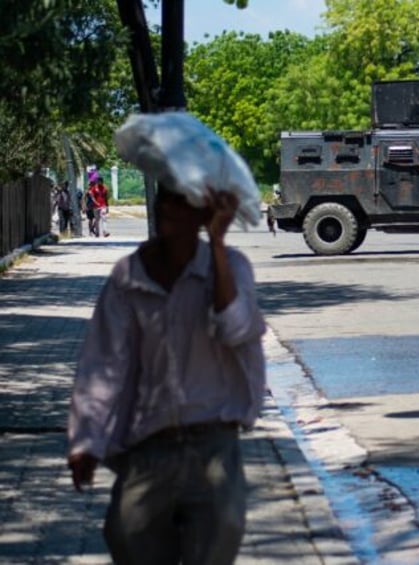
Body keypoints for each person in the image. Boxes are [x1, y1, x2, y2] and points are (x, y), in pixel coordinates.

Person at [67, 185, 266, 564]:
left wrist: (218, 245)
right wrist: (86, 441)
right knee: (125, 532)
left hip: (214, 442)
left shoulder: (230, 266)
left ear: (201, 213)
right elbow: (103, 363)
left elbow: (236, 329)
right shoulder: (128, 276)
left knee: (221, 532)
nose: (167, 208)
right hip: (149, 443)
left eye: (181, 201)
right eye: (164, 200)